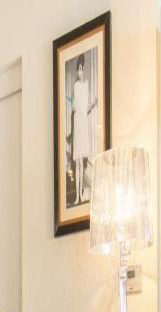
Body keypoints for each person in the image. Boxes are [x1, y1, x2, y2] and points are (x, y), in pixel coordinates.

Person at [72, 54, 98, 205]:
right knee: (77, 163)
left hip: (83, 124)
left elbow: (85, 107)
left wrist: (93, 104)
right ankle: (77, 196)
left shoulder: (86, 85)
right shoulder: (76, 86)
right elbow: (76, 106)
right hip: (77, 123)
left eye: (82, 68)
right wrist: (74, 107)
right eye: (79, 69)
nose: (80, 71)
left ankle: (81, 194)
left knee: (82, 162)